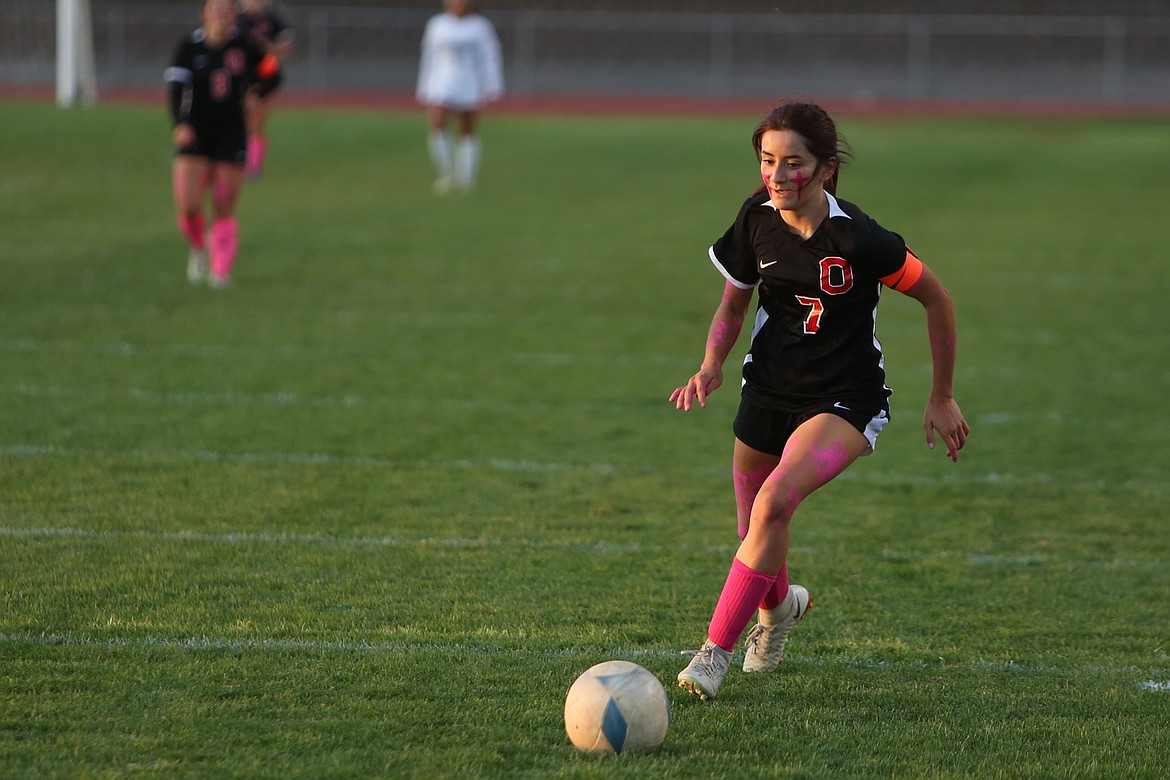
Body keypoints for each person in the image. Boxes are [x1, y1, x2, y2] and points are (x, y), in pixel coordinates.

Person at [670, 100, 970, 701]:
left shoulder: (860, 239)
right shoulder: (756, 218)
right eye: (766, 161)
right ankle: (781, 609)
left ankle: (714, 652)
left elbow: (938, 299)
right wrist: (710, 365)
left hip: (846, 398)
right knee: (753, 519)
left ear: (826, 168)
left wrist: (941, 395)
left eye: (792, 163)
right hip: (769, 387)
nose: (777, 177)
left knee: (775, 501)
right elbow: (734, 303)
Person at [165, 0, 279, 287]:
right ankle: (199, 244)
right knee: (189, 206)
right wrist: (180, 124)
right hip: (197, 132)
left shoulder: (246, 45)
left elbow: (273, 72)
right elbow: (176, 90)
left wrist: (257, 93)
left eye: (226, 10)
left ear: (233, 16)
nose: (221, 15)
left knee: (223, 202)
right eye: (215, 9)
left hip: (231, 132)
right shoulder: (189, 47)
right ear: (204, 13)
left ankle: (220, 272)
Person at [415, 0, 504, 194]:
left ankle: (466, 178)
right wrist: (423, 85)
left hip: (469, 81)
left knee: (467, 129)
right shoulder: (437, 24)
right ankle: (446, 173)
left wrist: (492, 85)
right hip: (441, 81)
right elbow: (429, 55)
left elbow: (489, 56)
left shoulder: (480, 26)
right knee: (437, 123)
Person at [238, 0, 294, 179]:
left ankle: (253, 165)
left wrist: (269, 47)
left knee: (256, 122)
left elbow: (286, 46)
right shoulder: (236, 20)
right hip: (241, 79)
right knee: (239, 121)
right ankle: (236, 158)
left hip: (266, 79)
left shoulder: (272, 20)